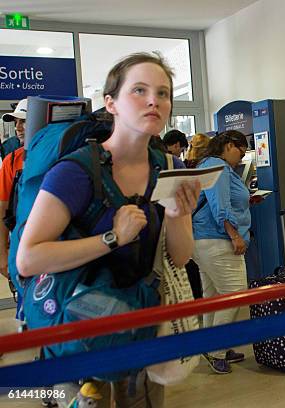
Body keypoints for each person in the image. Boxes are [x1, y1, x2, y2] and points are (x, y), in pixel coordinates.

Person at [16, 52, 200, 407]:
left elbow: (179, 256)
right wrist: (112, 238)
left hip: (139, 322)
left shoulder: (168, 166)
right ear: (110, 103)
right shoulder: (76, 172)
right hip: (78, 329)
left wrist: (177, 214)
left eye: (163, 93)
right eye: (140, 90)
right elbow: (28, 259)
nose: (153, 101)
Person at [191, 130, 250, 374]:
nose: (241, 158)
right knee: (236, 293)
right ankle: (215, 351)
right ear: (227, 145)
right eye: (240, 151)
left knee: (213, 296)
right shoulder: (219, 167)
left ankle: (212, 345)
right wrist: (234, 234)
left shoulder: (207, 164)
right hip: (217, 240)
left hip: (203, 239)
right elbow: (220, 205)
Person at [0, 98, 27, 315]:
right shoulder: (11, 161)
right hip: (22, 248)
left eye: (24, 121)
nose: (17, 127)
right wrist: (2, 254)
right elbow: (1, 209)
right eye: (16, 122)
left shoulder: (63, 156)